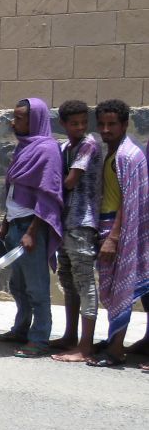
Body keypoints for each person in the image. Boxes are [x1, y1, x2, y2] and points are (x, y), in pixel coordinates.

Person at [0, 98, 64, 357]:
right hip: (15, 225)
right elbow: (14, 190)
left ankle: (40, 338)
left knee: (36, 287)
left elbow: (48, 195)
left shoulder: (47, 150)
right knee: (18, 286)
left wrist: (31, 232)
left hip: (33, 228)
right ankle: (20, 329)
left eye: (19, 118)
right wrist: (6, 224)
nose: (12, 122)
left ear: (36, 120)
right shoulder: (24, 147)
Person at [86, 100, 149, 368]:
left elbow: (129, 199)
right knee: (125, 287)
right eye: (101, 124)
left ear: (124, 124)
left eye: (112, 124)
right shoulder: (111, 152)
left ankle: (115, 349)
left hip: (120, 228)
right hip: (107, 224)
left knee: (121, 285)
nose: (106, 129)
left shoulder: (127, 155)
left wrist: (114, 236)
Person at [50, 100, 103, 362]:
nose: (80, 127)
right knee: (69, 282)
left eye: (84, 122)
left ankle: (85, 345)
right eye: (74, 123)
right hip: (66, 221)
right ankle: (70, 336)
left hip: (82, 221)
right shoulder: (65, 147)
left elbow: (71, 180)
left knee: (84, 283)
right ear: (63, 124)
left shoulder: (89, 144)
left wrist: (47, 189)